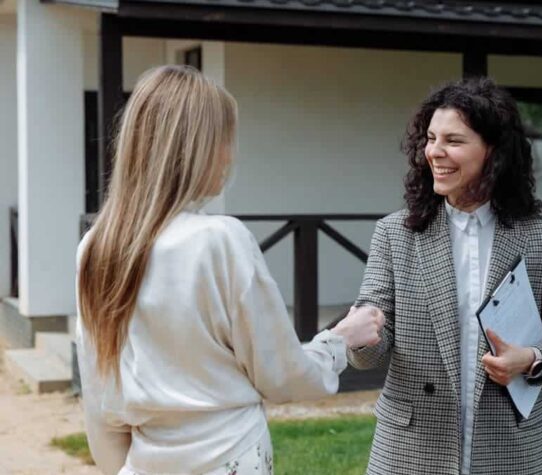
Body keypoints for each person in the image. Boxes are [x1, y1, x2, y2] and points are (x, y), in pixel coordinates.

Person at [75, 65, 383, 475]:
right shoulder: (219, 240)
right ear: (198, 147)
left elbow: (100, 402)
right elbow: (280, 375)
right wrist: (340, 341)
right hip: (230, 458)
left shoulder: (96, 247)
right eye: (225, 139)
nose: (230, 155)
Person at [341, 77, 542, 475]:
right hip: (411, 452)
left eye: (453, 140)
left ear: (493, 152)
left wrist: (532, 359)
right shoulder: (394, 234)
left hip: (511, 451)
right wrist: (361, 337)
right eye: (431, 138)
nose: (435, 152)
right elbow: (368, 354)